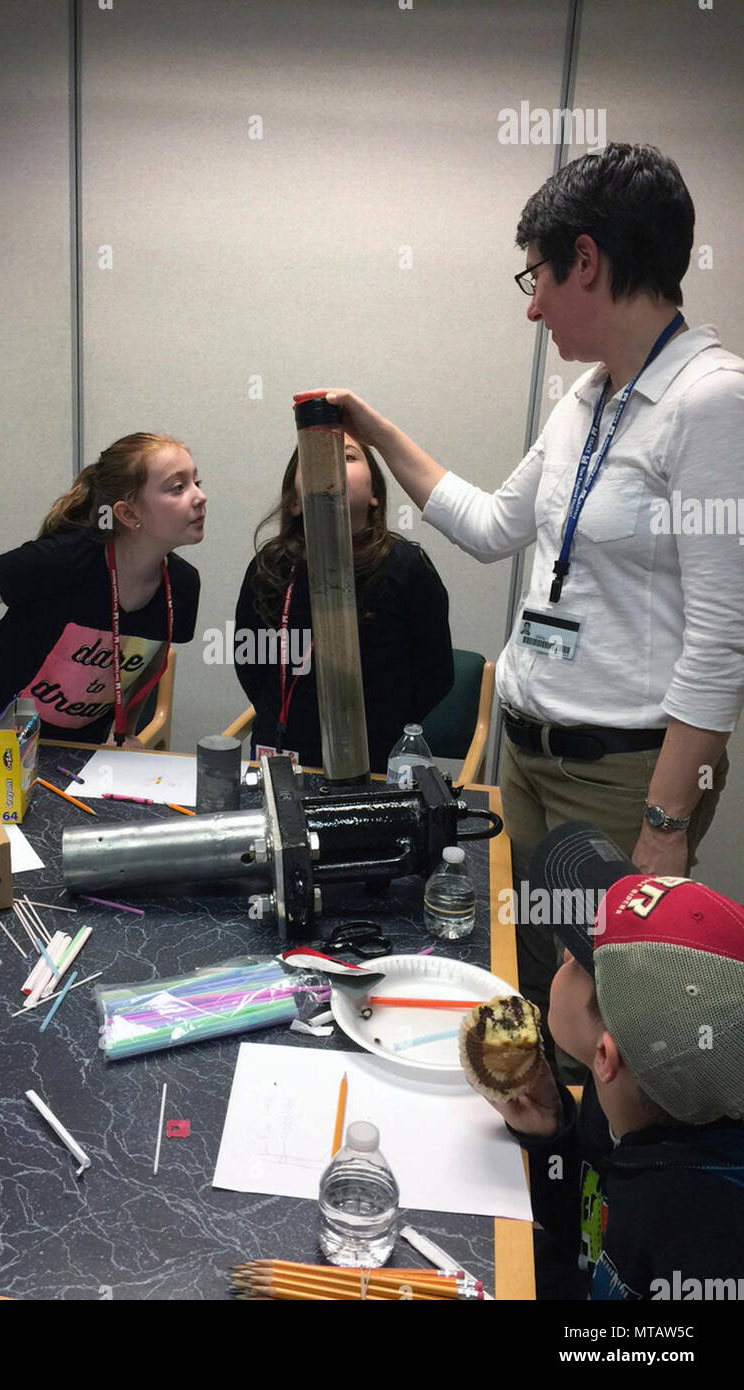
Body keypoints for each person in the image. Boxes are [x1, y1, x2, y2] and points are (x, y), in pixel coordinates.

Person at [308, 143, 744, 1033]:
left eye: (536, 277)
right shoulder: (587, 397)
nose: (534, 305)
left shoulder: (711, 401)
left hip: (626, 775)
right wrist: (375, 430)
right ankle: (539, 1154)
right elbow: (492, 525)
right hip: (529, 759)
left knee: (608, 1019)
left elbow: (722, 639)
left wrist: (664, 826)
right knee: (536, 984)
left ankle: (588, 1170)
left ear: (588, 259)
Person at [484, 821, 744, 1301]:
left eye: (580, 961)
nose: (563, 952)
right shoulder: (632, 1094)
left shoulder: (681, 1237)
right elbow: (586, 1238)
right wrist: (553, 1136)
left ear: (605, 1054)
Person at [0, 432, 205, 745]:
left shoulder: (180, 585)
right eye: (178, 487)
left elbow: (150, 656)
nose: (199, 496)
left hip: (74, 744)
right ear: (128, 513)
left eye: (197, 482)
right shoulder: (64, 560)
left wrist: (123, 729)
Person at [233, 433, 453, 773]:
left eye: (348, 457)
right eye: (315, 459)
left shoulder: (407, 567)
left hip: (375, 757)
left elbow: (435, 674)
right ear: (295, 502)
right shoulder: (271, 567)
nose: (330, 465)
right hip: (282, 749)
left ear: (375, 495)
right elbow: (250, 661)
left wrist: (386, 722)